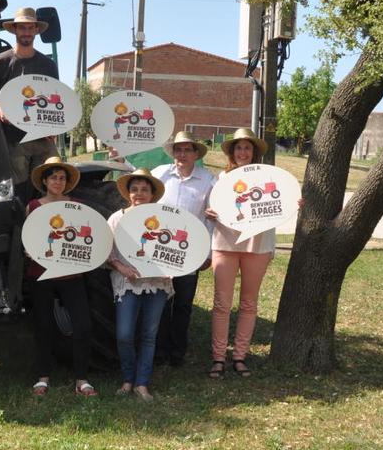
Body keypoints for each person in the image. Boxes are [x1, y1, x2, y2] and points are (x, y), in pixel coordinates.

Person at [204, 128, 301, 378]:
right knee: (221, 303)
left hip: (257, 246)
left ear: (254, 152)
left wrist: (294, 203)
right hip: (225, 244)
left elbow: (280, 202)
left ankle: (239, 356)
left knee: (249, 303)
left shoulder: (268, 176)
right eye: (239, 148)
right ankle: (218, 357)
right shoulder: (221, 179)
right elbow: (210, 206)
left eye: (247, 148)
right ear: (232, 152)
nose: (243, 152)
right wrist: (210, 212)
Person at [25, 157, 96, 397]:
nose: (58, 181)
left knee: (83, 325)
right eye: (53, 177)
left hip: (71, 272)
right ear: (44, 181)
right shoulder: (34, 206)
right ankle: (42, 378)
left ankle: (82, 379)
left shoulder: (76, 206)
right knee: (43, 325)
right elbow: (29, 237)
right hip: (41, 273)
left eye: (62, 178)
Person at [0, 7, 59, 203]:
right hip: (12, 139)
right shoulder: (1, 62)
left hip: (43, 138)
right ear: (15, 31)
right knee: (18, 190)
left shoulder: (48, 65)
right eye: (22, 28)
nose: (26, 32)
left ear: (36, 30)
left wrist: (55, 126)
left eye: (30, 27)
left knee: (54, 182)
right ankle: (20, 228)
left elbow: (56, 99)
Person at [150, 131, 215, 367]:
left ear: (196, 154)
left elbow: (210, 220)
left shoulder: (208, 180)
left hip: (189, 252)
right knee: (159, 302)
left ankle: (177, 352)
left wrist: (207, 253)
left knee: (183, 304)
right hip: (159, 250)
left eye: (188, 150)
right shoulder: (159, 175)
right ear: (173, 152)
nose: (183, 154)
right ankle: (158, 352)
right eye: (178, 149)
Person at [106, 168, 172, 402]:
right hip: (128, 283)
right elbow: (108, 253)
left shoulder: (165, 217)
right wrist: (122, 268)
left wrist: (173, 269)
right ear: (128, 193)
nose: (139, 193)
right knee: (124, 334)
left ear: (152, 194)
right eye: (134, 189)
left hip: (157, 283)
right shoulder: (117, 218)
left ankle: (141, 383)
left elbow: (175, 249)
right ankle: (127, 378)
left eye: (144, 189)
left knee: (148, 335)